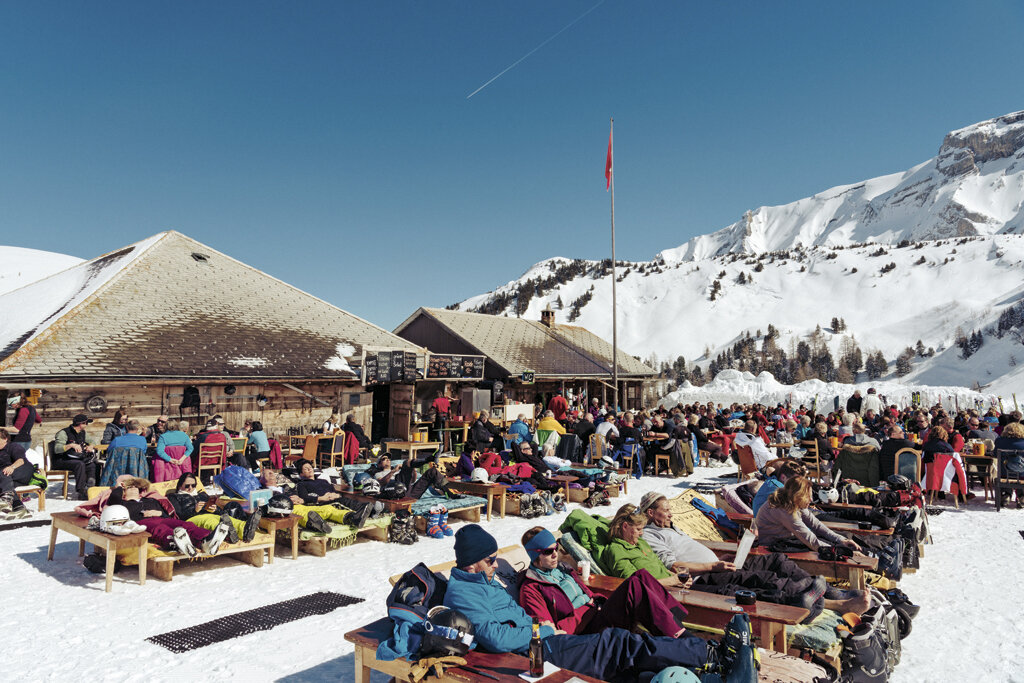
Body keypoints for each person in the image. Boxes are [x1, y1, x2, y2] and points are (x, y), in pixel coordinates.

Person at [442, 524, 707, 682]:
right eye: (490, 560)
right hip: (536, 652)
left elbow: (520, 619)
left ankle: (691, 653)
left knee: (621, 638)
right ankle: (704, 654)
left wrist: (544, 627)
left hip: (545, 640)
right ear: (472, 562)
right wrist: (545, 630)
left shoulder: (484, 583)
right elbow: (497, 638)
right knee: (615, 643)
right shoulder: (464, 594)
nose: (495, 565)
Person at [640, 492, 866, 619]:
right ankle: (826, 600)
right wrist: (712, 567)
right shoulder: (650, 535)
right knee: (765, 579)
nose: (671, 512)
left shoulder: (670, 526)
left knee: (776, 560)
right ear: (651, 513)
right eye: (666, 509)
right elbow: (675, 565)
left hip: (719, 565)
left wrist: (722, 559)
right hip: (705, 576)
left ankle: (829, 591)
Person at [518, 526, 688, 637]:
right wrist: (587, 610)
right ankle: (676, 635)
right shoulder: (531, 589)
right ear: (535, 556)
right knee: (633, 586)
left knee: (641, 575)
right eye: (548, 551)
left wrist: (597, 601)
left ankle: (677, 622)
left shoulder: (562, 568)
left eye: (555, 547)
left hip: (598, 612)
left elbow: (587, 593)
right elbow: (549, 629)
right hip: (585, 630)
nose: (555, 554)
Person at [104, 477, 231, 557]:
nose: (133, 489)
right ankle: (174, 541)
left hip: (161, 517)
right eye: (129, 487)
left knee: (186, 525)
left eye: (136, 487)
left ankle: (205, 541)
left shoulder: (150, 500)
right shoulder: (121, 504)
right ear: (124, 492)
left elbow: (166, 512)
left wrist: (158, 513)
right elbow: (114, 497)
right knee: (160, 528)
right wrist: (120, 486)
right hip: (141, 522)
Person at [754, 476, 859, 553]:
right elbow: (811, 541)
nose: (811, 499)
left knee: (841, 538)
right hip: (774, 545)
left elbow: (816, 525)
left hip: (788, 539)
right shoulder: (784, 510)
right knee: (826, 546)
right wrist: (842, 552)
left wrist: (841, 540)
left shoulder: (793, 501)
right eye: (808, 496)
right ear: (798, 496)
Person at [165, 471, 262, 543]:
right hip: (192, 518)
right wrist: (195, 510)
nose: (190, 488)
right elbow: (179, 515)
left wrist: (216, 509)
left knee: (225, 518)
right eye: (187, 486)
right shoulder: (174, 497)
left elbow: (215, 508)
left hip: (209, 513)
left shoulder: (202, 494)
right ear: (179, 486)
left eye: (193, 485)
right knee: (211, 522)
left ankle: (245, 529)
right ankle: (227, 534)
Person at [52, 413, 101, 500]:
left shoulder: (82, 433)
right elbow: (57, 449)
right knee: (80, 464)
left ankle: (91, 488)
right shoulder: (63, 433)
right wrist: (71, 445)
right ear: (81, 424)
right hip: (61, 460)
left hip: (75, 458)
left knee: (92, 464)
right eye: (86, 423)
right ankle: (81, 491)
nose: (86, 425)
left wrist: (91, 446)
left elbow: (92, 441)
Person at [100, 419, 150, 485]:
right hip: (135, 471)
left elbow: (109, 452)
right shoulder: (142, 440)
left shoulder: (117, 440)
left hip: (117, 472)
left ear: (126, 427)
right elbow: (143, 453)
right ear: (137, 428)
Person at [0, 427, 34, 518]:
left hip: (23, 471)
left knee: (3, 473)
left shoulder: (13, 446)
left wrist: (12, 467)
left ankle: (6, 500)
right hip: (9, 478)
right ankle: (20, 508)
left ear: (5, 439)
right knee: (3, 482)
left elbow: (21, 460)